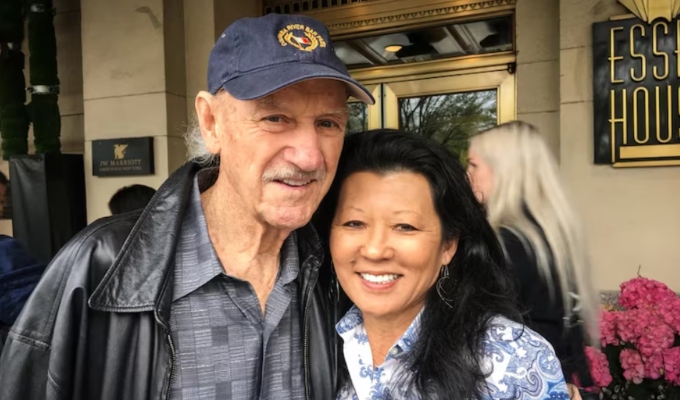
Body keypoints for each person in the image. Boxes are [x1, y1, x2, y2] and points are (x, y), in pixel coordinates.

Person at [0, 13, 373, 400]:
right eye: (275, 118)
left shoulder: (338, 271)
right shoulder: (98, 268)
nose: (309, 157)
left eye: (328, 123)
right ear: (211, 122)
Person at [317, 129, 570, 399]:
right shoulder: (318, 341)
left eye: (405, 226)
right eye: (354, 223)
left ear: (448, 245)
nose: (375, 250)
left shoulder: (512, 361)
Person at [467, 121, 599, 398]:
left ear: (504, 171)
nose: (467, 174)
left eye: (473, 165)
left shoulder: (506, 243)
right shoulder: (547, 235)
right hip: (548, 379)